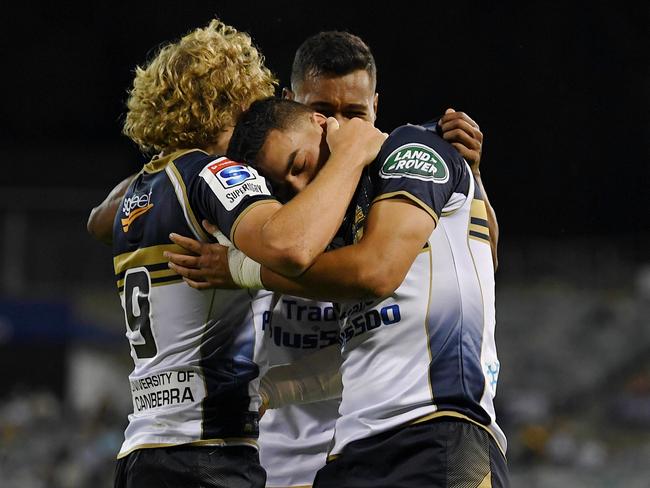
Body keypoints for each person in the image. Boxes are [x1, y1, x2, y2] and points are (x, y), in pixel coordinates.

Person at [166, 31, 496, 488]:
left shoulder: (412, 151)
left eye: (353, 113)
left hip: (433, 433)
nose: (303, 187)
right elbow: (367, 338)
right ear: (297, 104)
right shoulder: (301, 214)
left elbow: (380, 272)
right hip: (344, 450)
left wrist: (243, 269)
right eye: (323, 110)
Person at [107, 20, 386, 488]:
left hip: (143, 448)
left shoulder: (141, 193)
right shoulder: (216, 174)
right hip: (208, 454)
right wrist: (348, 158)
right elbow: (290, 245)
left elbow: (96, 218)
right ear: (235, 102)